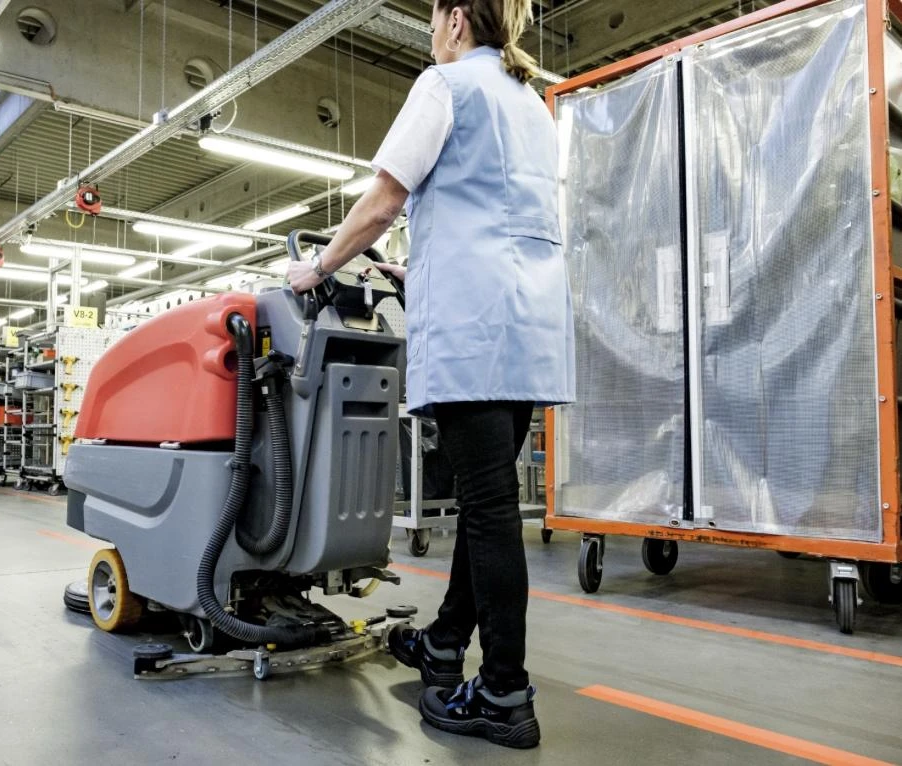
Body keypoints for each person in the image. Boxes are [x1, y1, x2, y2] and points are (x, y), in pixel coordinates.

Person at [287, 0, 574, 750]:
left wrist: (317, 266)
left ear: (453, 20)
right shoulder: (531, 104)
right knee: (488, 502)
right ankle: (445, 644)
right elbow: (498, 217)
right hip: (524, 327)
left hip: (474, 332)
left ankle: (505, 693)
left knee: (489, 511)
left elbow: (384, 200)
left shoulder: (446, 86)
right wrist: (418, 271)